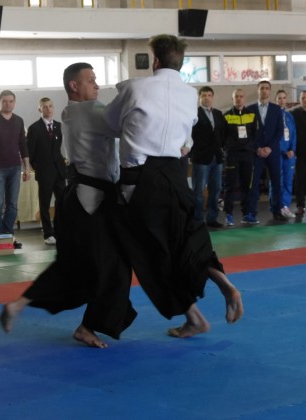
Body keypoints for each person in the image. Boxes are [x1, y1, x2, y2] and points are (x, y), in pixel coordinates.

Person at [105, 34, 243, 338]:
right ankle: (224, 284)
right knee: (190, 240)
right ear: (180, 63)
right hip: (177, 176)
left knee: (152, 254)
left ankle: (194, 317)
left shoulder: (135, 88)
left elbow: (110, 125)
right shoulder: (189, 95)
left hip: (140, 180)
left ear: (155, 60)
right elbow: (186, 136)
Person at [0, 63, 136, 349]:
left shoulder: (70, 112)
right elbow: (127, 124)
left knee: (76, 263)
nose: (97, 85)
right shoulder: (90, 110)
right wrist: (135, 90)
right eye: (91, 80)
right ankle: (87, 327)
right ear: (74, 86)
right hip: (92, 201)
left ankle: (19, 304)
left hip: (81, 198)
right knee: (113, 265)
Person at [0, 90, 30, 244]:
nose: (8, 104)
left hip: (15, 168)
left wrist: (27, 168)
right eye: (4, 101)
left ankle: (7, 235)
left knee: (12, 205)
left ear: (14, 103)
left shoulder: (19, 120)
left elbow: (23, 145)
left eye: (10, 101)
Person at [27, 97, 67, 245]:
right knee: (44, 204)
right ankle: (48, 234)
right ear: (40, 109)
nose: (48, 109)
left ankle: (60, 230)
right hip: (44, 173)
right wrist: (39, 168)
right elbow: (30, 153)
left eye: (50, 106)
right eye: (45, 107)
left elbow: (58, 148)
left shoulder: (58, 126)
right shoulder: (34, 128)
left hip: (59, 171)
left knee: (62, 202)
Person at [247, 80, 285, 223]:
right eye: (261, 88)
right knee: (254, 183)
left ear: (270, 91)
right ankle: (251, 212)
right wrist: (257, 148)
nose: (264, 90)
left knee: (276, 181)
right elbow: (249, 133)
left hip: (272, 151)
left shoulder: (276, 109)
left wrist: (270, 147)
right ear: (258, 90)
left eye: (267, 88)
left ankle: (277, 210)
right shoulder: (250, 109)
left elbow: (279, 131)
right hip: (256, 152)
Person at [190, 86, 226, 228]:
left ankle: (212, 218)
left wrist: (221, 148)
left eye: (209, 95)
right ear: (199, 98)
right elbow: (189, 134)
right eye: (204, 95)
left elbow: (223, 133)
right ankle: (197, 220)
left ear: (212, 97)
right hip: (200, 158)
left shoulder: (218, 114)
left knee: (216, 190)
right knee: (198, 191)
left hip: (217, 158)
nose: (207, 98)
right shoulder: (193, 114)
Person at [223, 89, 257, 226]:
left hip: (247, 155)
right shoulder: (226, 116)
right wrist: (231, 147)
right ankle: (229, 215)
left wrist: (249, 147)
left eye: (241, 96)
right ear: (232, 99)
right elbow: (223, 136)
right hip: (232, 155)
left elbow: (255, 135)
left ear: (244, 98)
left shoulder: (252, 115)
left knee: (247, 185)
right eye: (236, 96)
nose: (239, 99)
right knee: (230, 185)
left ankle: (247, 214)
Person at [274, 89, 297, 218]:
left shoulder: (289, 116)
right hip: (278, 153)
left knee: (288, 181)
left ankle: (285, 207)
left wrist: (292, 149)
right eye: (279, 98)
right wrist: (283, 151)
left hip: (290, 155)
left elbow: (294, 135)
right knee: (277, 181)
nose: (282, 100)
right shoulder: (272, 116)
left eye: (284, 98)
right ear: (275, 100)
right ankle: (277, 207)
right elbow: (274, 137)